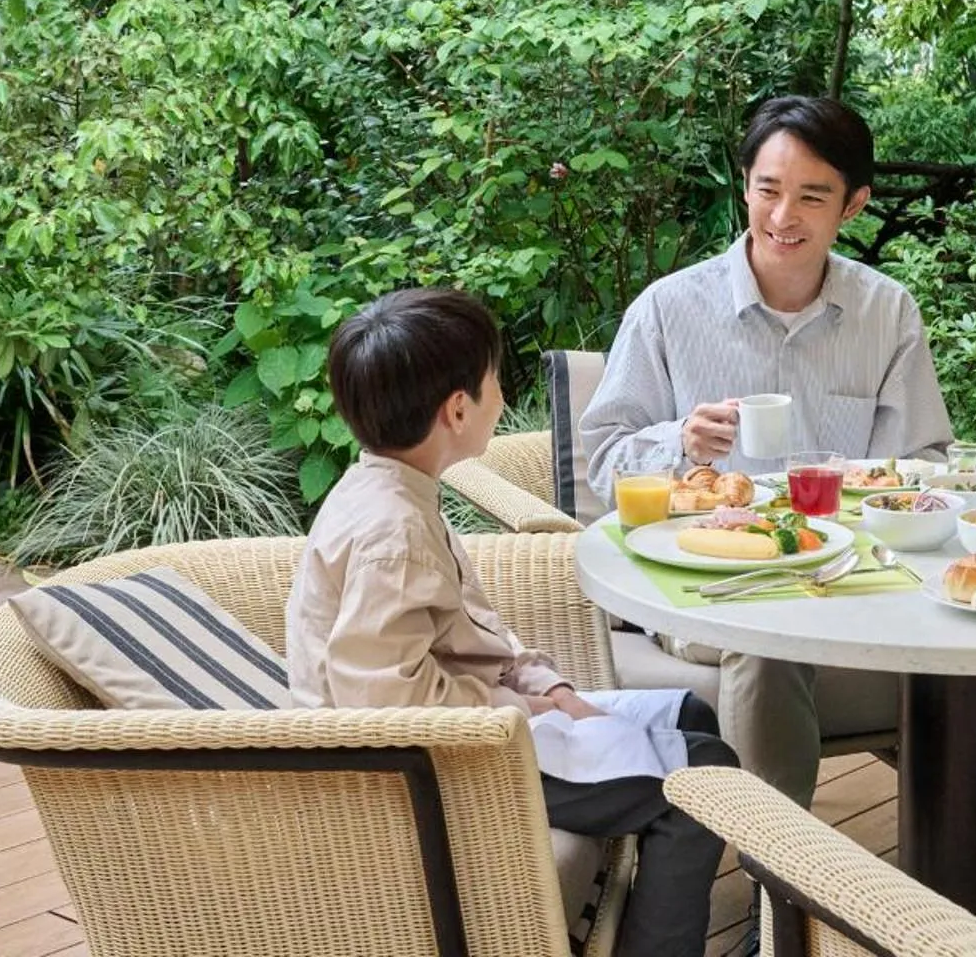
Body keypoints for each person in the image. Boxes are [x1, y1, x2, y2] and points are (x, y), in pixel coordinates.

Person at [288, 287, 738, 957]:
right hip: (444, 762)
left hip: (480, 725)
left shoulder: (395, 489)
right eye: (495, 377)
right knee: (701, 778)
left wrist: (550, 690)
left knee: (691, 720)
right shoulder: (392, 532)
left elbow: (466, 634)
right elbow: (382, 701)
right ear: (459, 408)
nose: (501, 391)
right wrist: (529, 706)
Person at [577, 94, 950, 805]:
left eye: (813, 196)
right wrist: (678, 442)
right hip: (713, 583)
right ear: (744, 183)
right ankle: (775, 882)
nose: (784, 217)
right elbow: (604, 456)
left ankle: (966, 865)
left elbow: (923, 459)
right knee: (768, 636)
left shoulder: (886, 311)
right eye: (769, 190)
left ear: (854, 205)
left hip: (847, 573)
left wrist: (866, 480)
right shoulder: (668, 308)